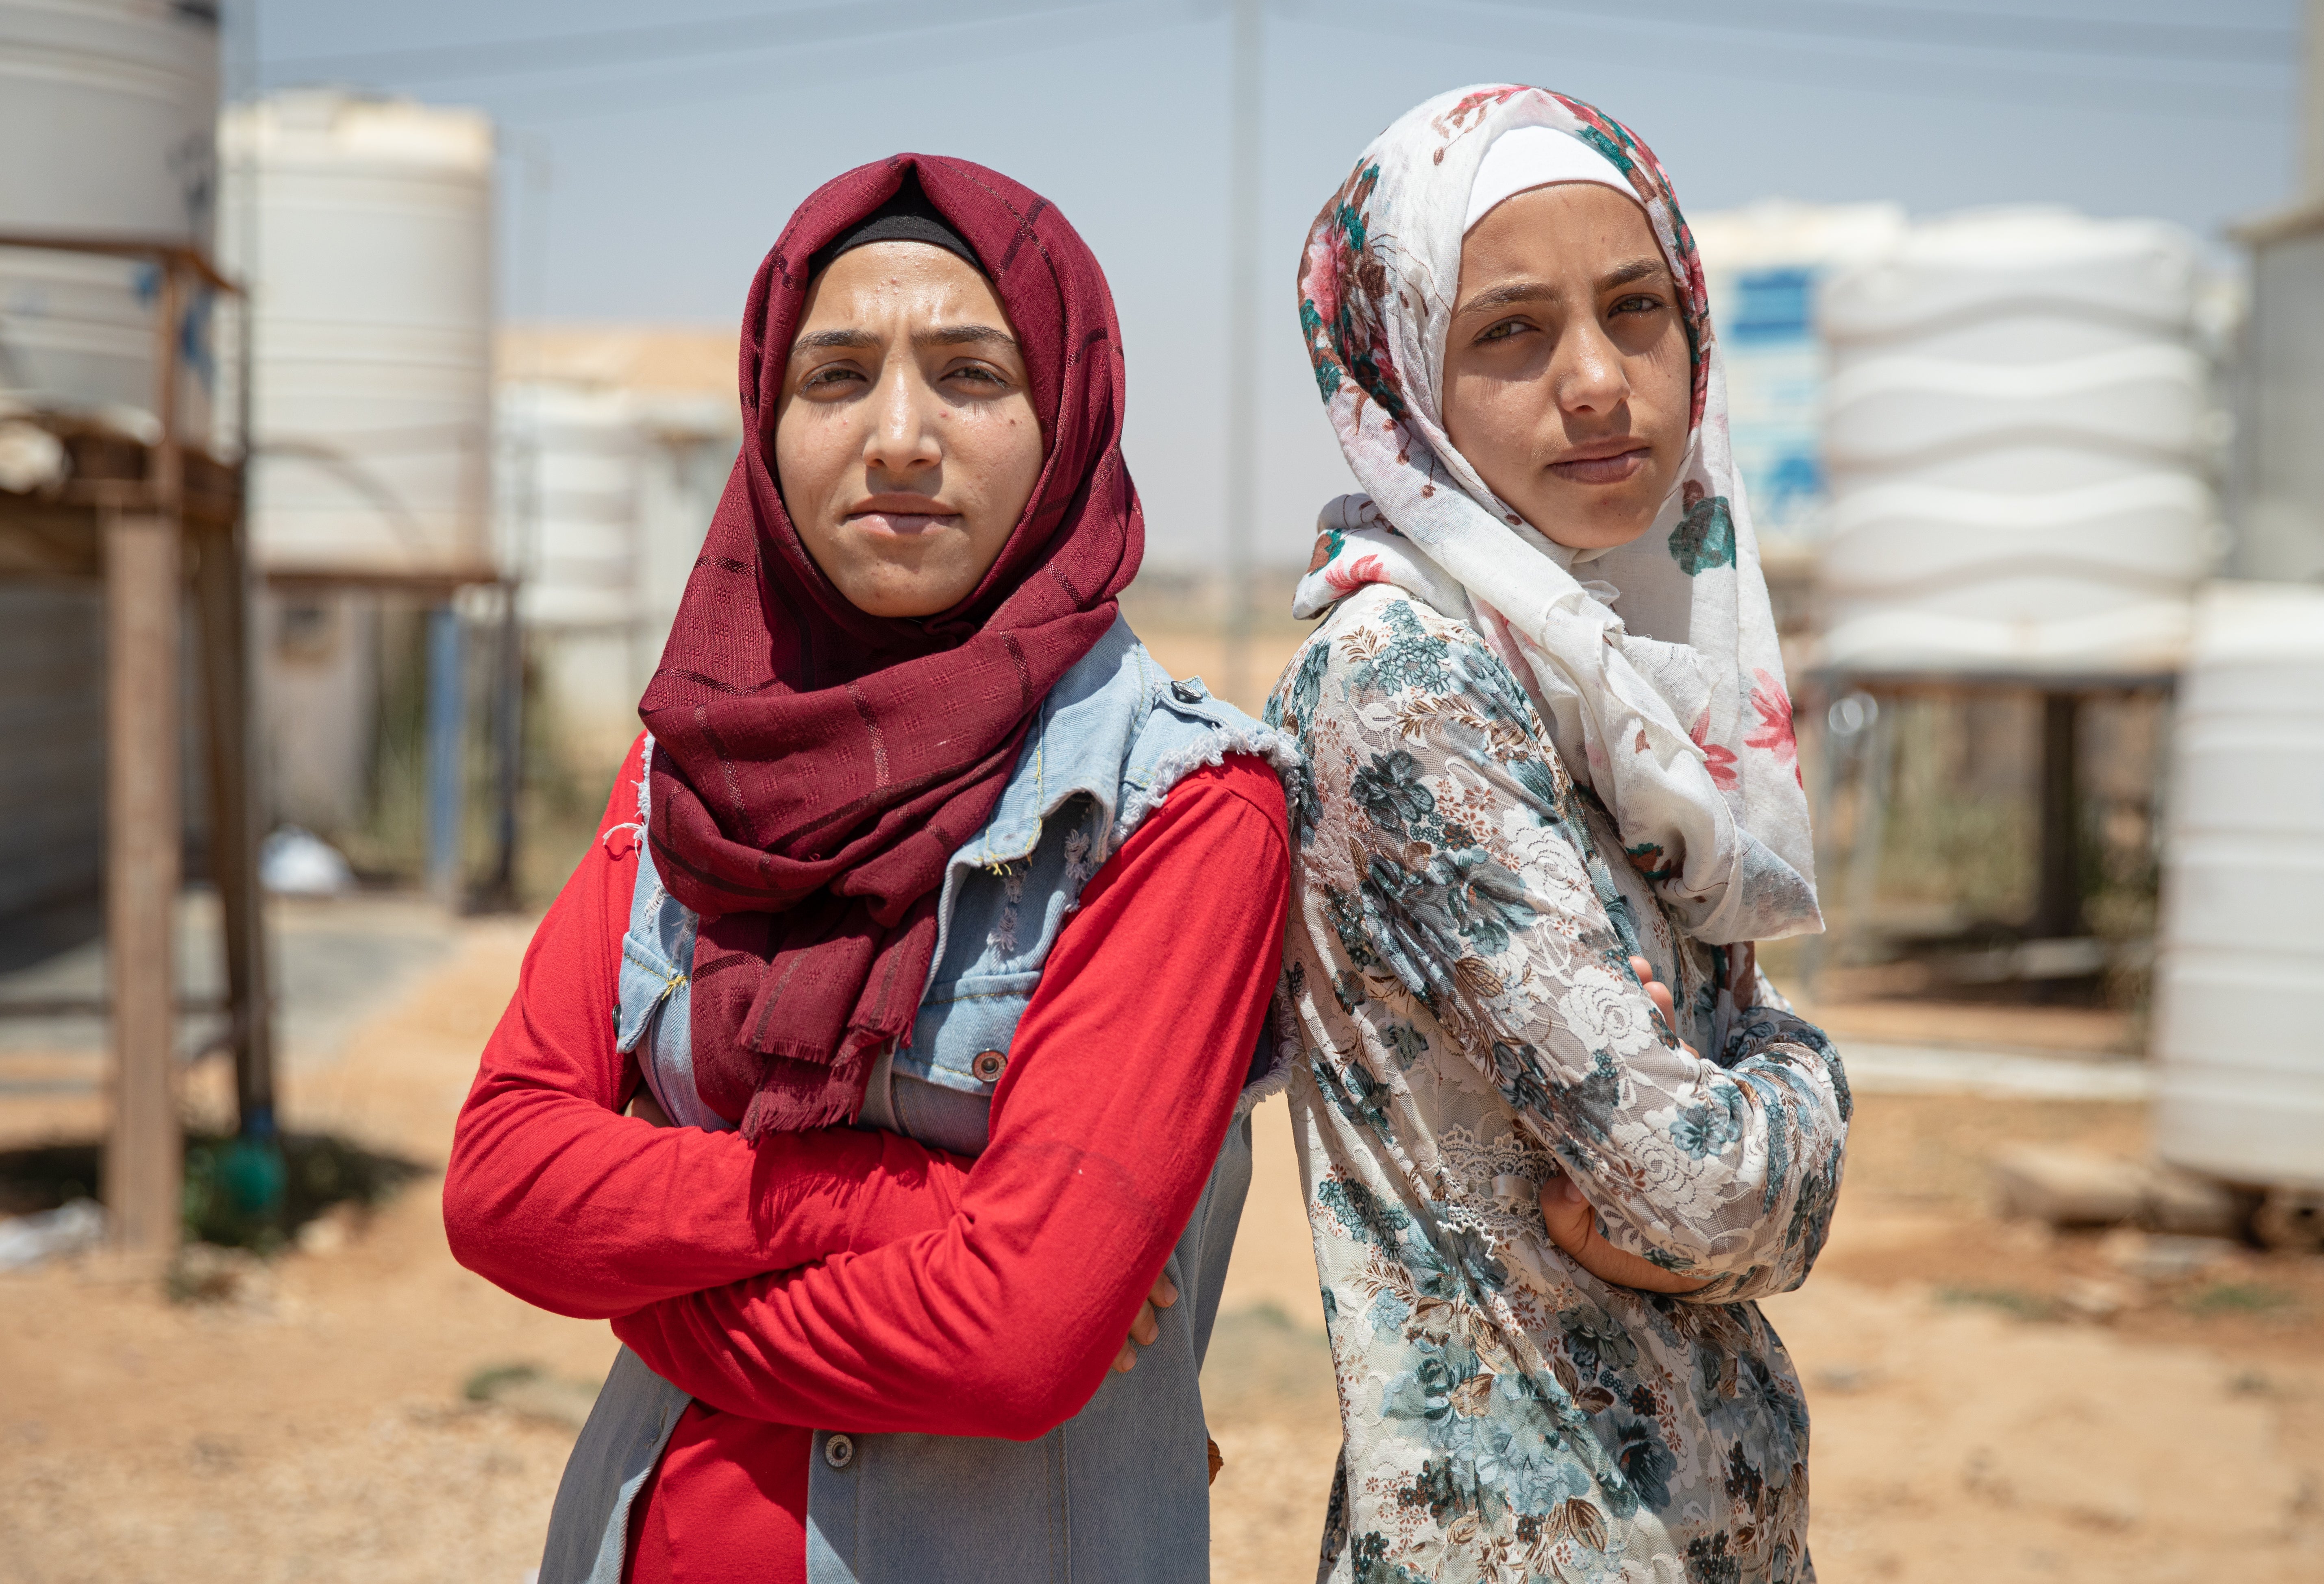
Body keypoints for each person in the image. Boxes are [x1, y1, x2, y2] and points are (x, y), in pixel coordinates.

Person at [442, 154, 1294, 1584]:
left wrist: (658, 1298)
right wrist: (885, 1203)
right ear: (767, 424)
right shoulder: (685, 776)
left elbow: (1018, 1338)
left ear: (1068, 420)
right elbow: (502, 1182)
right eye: (836, 377)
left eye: (968, 375)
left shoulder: (1182, 814)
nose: (898, 436)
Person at [1265, 86, 1850, 1582]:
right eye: (1511, 330)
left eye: (1635, 309)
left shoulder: (1612, 685)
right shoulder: (1406, 682)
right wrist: (1801, 1091)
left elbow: (1715, 1154)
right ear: (1404, 378)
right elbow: (1685, 1180)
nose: (1596, 380)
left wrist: (1772, 1092)